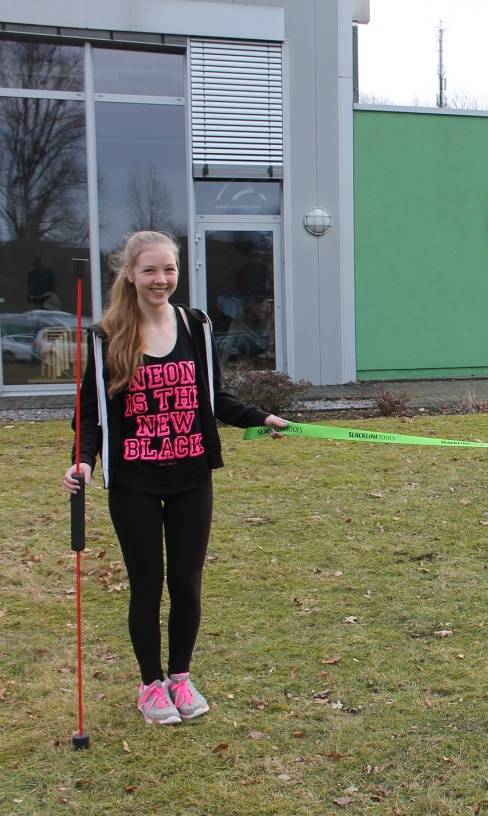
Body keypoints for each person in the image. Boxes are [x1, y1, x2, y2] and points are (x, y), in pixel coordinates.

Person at [63, 231, 289, 725]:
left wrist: (260, 418)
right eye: (149, 270)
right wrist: (83, 460)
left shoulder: (196, 326)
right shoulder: (107, 338)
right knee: (148, 585)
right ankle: (150, 685)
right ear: (129, 273)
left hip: (191, 476)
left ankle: (180, 679)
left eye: (169, 270)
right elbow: (90, 414)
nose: (161, 280)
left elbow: (215, 398)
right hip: (135, 483)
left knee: (187, 584)